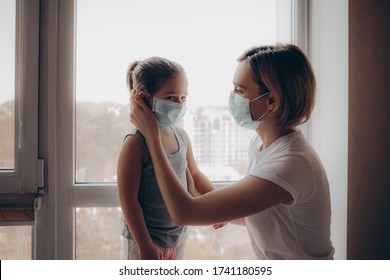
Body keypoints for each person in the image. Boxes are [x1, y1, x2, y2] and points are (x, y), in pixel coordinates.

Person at [130, 44, 335, 260]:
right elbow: (264, 215)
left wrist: (153, 138)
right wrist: (219, 209)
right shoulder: (261, 146)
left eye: (239, 90)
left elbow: (184, 213)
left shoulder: (290, 163)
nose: (232, 97)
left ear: (271, 101)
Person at [117, 57, 214, 260]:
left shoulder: (181, 136)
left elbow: (194, 175)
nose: (179, 104)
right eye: (171, 97)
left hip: (177, 238)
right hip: (144, 241)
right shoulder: (135, 144)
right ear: (143, 99)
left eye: (183, 98)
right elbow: (129, 200)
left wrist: (217, 206)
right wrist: (145, 245)